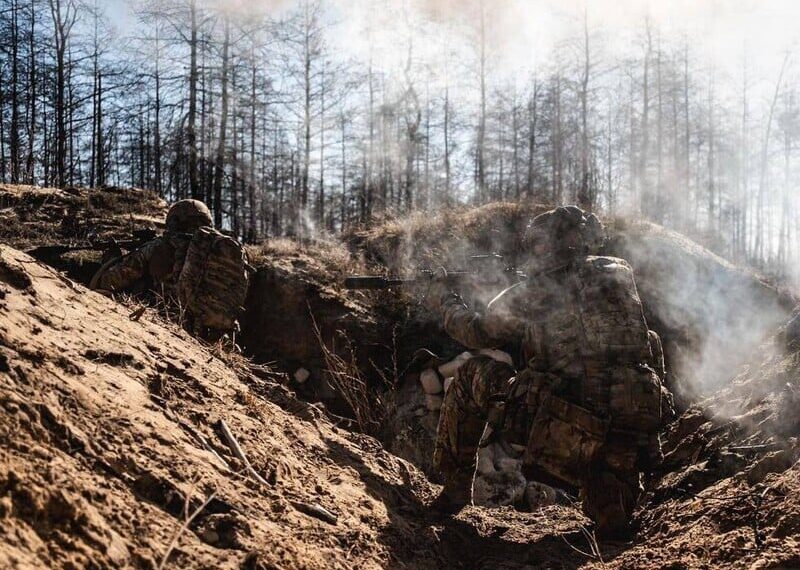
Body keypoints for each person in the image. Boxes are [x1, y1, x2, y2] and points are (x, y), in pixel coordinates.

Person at [426, 205, 665, 539]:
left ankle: (453, 490)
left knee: (470, 375)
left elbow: (476, 332)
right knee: (608, 503)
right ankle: (611, 498)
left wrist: (446, 299)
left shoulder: (537, 289)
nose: (535, 252)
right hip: (629, 429)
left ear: (550, 243)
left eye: (539, 244)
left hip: (565, 425)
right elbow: (644, 342)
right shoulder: (619, 275)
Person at [91, 199, 250, 338]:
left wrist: (111, 260)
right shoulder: (226, 251)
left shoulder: (161, 246)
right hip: (216, 334)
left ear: (174, 222)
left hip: (169, 325)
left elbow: (112, 281)